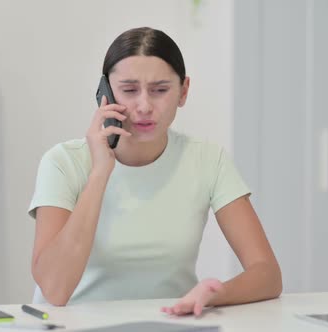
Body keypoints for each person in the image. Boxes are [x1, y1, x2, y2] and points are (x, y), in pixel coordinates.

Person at [28, 27, 282, 316]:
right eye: (129, 90)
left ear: (183, 91)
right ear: (105, 93)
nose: (145, 106)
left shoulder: (208, 159)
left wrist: (215, 294)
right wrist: (99, 173)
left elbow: (268, 274)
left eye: (160, 90)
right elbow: (55, 289)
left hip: (169, 321)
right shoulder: (62, 162)